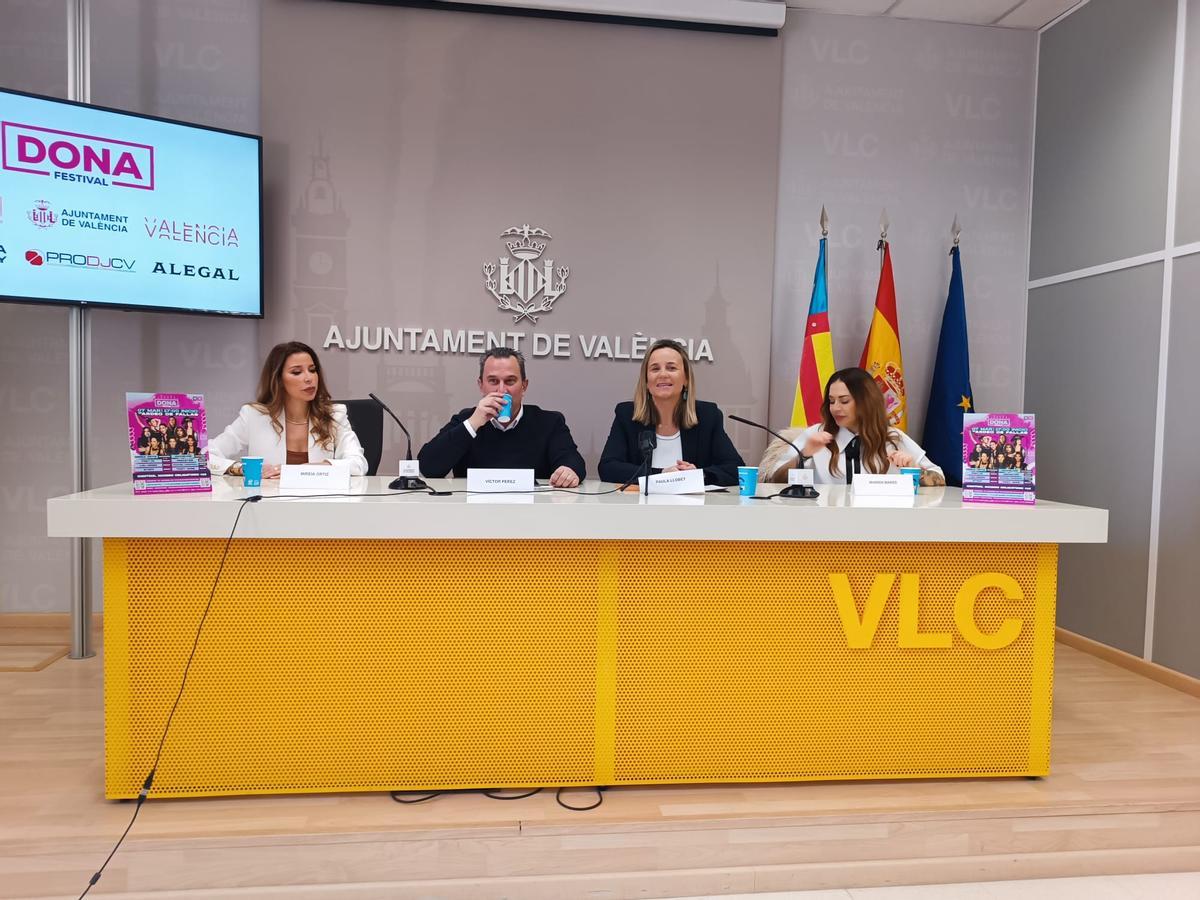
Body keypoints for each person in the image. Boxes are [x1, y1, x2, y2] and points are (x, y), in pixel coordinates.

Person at [417, 347, 585, 486]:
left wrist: (569, 470)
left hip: (532, 516)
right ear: (481, 386)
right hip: (474, 515)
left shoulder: (549, 422)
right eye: (493, 381)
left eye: (510, 381)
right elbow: (428, 467)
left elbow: (574, 462)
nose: (502, 390)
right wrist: (474, 423)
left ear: (524, 386)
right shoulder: (467, 419)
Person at [758, 367, 945, 486]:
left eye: (844, 401)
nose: (835, 408)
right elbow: (775, 479)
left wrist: (914, 470)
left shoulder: (892, 437)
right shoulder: (817, 434)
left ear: (866, 402)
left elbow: (939, 477)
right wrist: (804, 454)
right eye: (831, 401)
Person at [208, 341, 367, 478]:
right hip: (267, 506)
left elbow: (358, 464)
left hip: (320, 505)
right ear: (278, 380)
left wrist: (313, 469)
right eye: (297, 372)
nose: (309, 378)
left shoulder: (334, 415)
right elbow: (205, 456)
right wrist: (241, 468)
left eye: (312, 370)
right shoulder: (253, 415)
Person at [597, 338, 743, 487]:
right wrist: (661, 475)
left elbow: (735, 469)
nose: (663, 374)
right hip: (639, 507)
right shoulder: (627, 415)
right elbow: (608, 468)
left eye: (671, 368)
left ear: (686, 378)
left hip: (693, 508)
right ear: (646, 381)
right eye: (655, 369)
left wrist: (700, 475)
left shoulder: (707, 416)